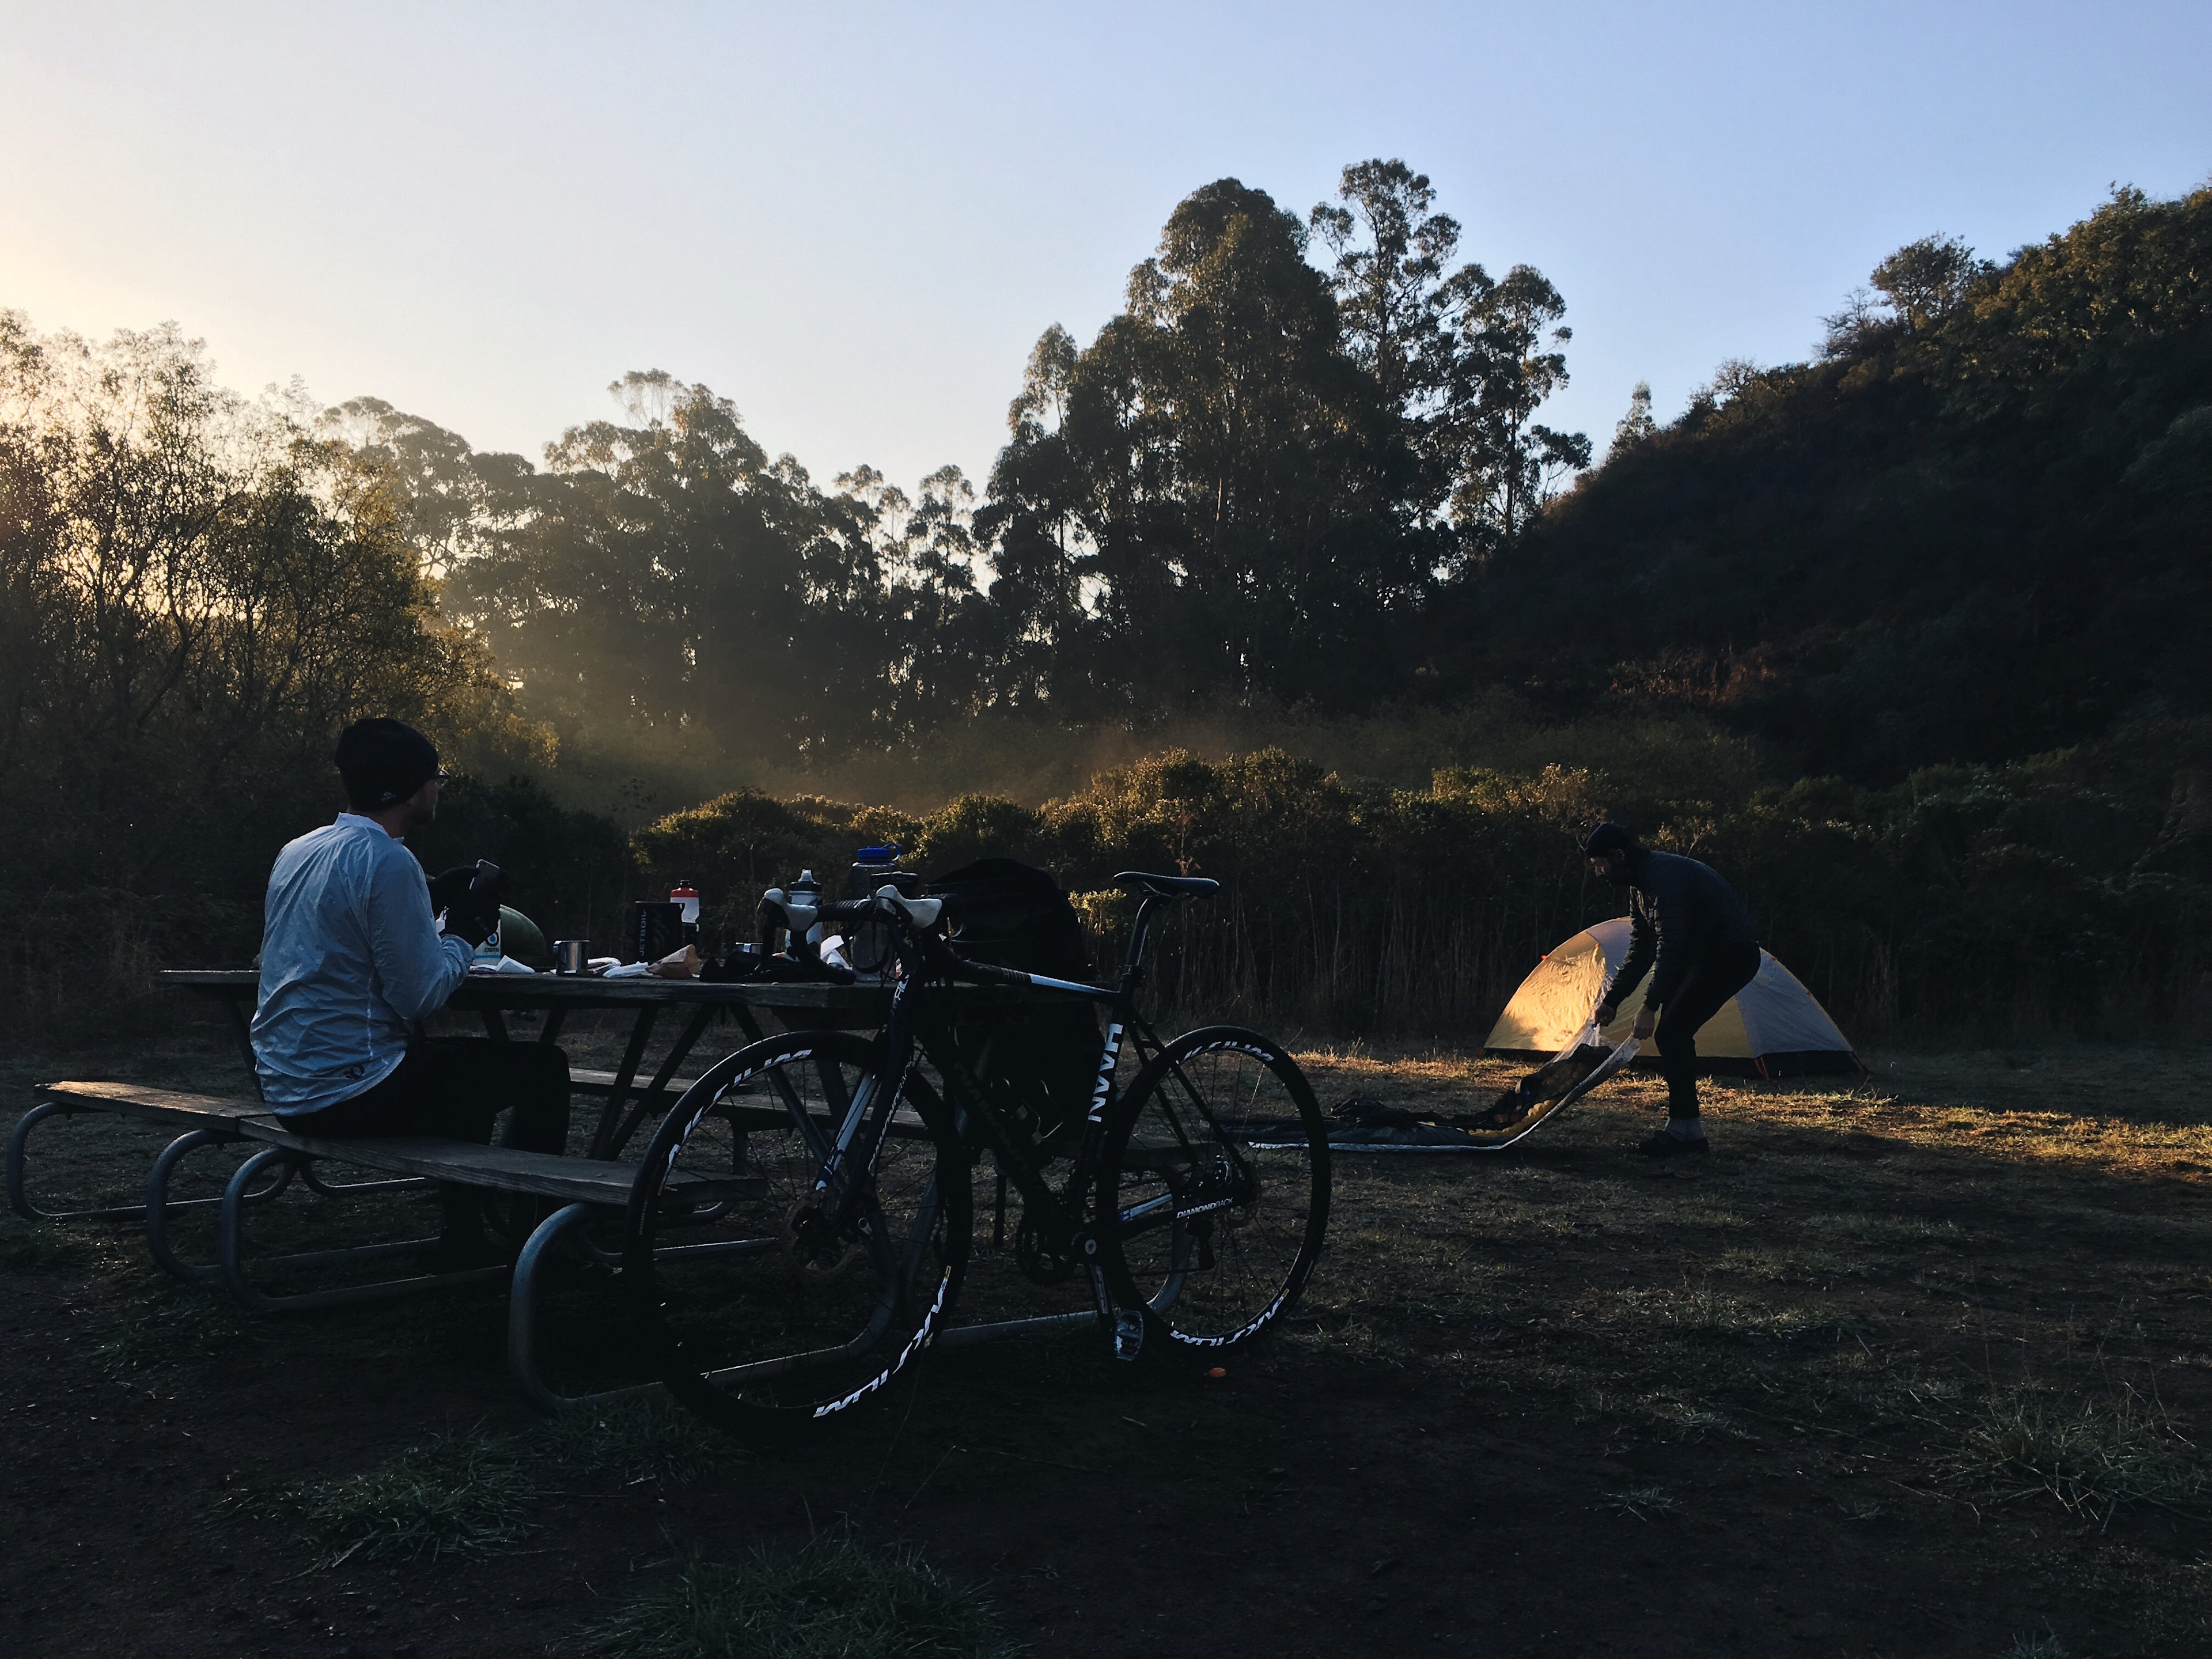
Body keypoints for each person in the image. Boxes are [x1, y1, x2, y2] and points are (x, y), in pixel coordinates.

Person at [250, 717, 571, 1267]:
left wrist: (433, 895)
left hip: (287, 1084)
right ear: (410, 789)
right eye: (435, 777)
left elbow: (348, 930)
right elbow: (419, 998)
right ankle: (537, 1244)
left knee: (459, 1074)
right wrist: (465, 934)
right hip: (349, 1092)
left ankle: (467, 1238)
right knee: (543, 1068)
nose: (439, 787)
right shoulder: (388, 860)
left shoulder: (299, 850)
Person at [1584, 822, 1761, 1160]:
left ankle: (1686, 1133)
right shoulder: (1639, 887)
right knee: (1673, 1035)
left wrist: (1649, 1006)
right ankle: (1687, 1132)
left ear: (1618, 856)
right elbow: (1642, 949)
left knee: (1672, 1032)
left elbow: (1671, 946)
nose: (1599, 873)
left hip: (1732, 956)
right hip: (1703, 957)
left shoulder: (1663, 879)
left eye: (1600, 864)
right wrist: (1612, 1001)